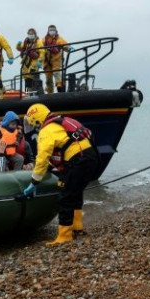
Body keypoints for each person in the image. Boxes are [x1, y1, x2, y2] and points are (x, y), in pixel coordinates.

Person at [22, 103, 100, 245]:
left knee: (65, 196)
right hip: (91, 156)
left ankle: (64, 235)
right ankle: (77, 227)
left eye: (32, 122)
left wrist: (34, 182)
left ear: (37, 120)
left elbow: (42, 158)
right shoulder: (64, 121)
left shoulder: (46, 131)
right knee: (75, 192)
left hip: (78, 159)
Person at [42, 25, 72, 94]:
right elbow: (39, 46)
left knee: (57, 73)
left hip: (56, 59)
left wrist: (69, 48)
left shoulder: (59, 39)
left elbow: (65, 44)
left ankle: (60, 89)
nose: (52, 31)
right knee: (48, 78)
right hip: (47, 61)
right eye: (50, 30)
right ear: (48, 31)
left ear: (56, 31)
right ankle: (50, 92)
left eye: (53, 30)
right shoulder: (44, 39)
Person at [16, 28, 45, 94]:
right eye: (29, 34)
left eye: (32, 34)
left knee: (32, 76)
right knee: (26, 77)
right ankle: (29, 93)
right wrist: (18, 45)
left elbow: (42, 52)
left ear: (35, 34)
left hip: (34, 62)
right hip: (26, 62)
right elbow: (21, 48)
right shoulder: (26, 41)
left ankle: (36, 92)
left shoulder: (38, 42)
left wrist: (39, 61)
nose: (30, 35)